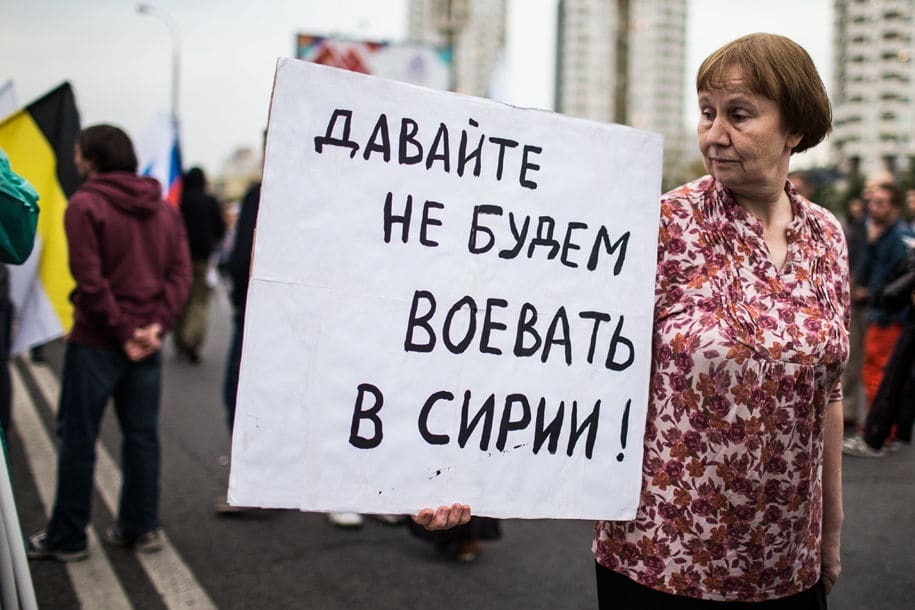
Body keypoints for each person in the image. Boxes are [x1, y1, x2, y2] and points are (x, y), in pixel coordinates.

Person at [416, 33, 846, 607]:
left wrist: (831, 533)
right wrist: (459, 474)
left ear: (795, 128)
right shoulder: (657, 226)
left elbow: (829, 395)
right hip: (660, 561)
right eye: (707, 112)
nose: (714, 134)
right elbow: (550, 351)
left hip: (785, 564)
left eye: (739, 115)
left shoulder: (827, 237)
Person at [26, 124, 192, 562]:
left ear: (92, 159)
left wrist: (122, 330)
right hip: (148, 343)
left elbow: (90, 278)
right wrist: (155, 326)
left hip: (99, 340)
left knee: (79, 437)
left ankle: (68, 537)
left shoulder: (85, 205)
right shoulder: (164, 210)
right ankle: (140, 527)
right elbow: (181, 274)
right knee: (141, 437)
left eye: (79, 152)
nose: (75, 159)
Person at [843, 181, 914, 454]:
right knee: (881, 371)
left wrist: (872, 292)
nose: (873, 207)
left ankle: (879, 432)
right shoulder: (879, 234)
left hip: (888, 314)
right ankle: (883, 430)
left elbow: (896, 280)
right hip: (880, 310)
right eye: (872, 202)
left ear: (894, 208)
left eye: (881, 203)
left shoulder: (899, 238)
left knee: (879, 371)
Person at [174, 166, 226, 364]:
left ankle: (180, 338)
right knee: (199, 300)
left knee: (181, 300)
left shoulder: (179, 200)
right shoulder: (209, 201)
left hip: (179, 259)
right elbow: (220, 228)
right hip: (202, 259)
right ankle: (192, 339)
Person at [842, 197, 867, 429]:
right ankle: (849, 411)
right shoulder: (855, 229)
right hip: (854, 297)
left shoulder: (862, 231)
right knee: (851, 360)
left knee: (862, 360)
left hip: (865, 301)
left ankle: (866, 421)